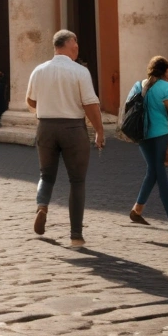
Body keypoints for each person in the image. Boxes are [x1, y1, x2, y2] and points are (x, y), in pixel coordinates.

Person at [26, 30, 105, 248]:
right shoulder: (80, 71)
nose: (77, 47)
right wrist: (99, 130)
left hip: (46, 127)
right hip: (72, 128)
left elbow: (31, 101)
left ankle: (42, 206)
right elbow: (90, 104)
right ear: (69, 45)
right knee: (77, 181)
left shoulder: (39, 70)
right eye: (76, 43)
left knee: (46, 174)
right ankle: (76, 235)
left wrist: (48, 104)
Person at [126, 56, 168, 229]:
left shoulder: (138, 85)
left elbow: (128, 108)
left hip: (142, 135)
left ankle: (137, 210)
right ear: (163, 71)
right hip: (159, 134)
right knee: (160, 172)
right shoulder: (167, 88)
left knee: (153, 170)